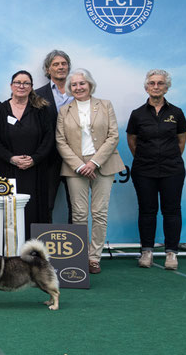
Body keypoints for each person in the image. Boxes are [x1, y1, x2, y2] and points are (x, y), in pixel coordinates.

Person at [55, 69, 125, 274]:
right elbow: (60, 141)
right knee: (79, 214)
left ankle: (94, 258)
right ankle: (80, 256)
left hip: (103, 165)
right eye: (74, 85)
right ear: (70, 88)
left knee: (99, 213)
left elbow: (113, 136)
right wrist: (79, 165)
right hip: (75, 167)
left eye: (82, 83)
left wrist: (94, 163)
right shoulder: (64, 111)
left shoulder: (105, 105)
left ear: (90, 85)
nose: (78, 87)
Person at [127, 69, 186, 270]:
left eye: (160, 83)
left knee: (172, 211)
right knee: (147, 210)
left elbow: (181, 141)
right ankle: (147, 252)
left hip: (172, 169)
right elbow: (132, 141)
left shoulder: (176, 113)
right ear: (146, 87)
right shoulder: (137, 114)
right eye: (152, 83)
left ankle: (171, 253)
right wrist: (147, 159)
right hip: (144, 170)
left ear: (166, 87)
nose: (156, 86)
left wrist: (167, 158)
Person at [0, 70, 54, 240]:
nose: (21, 86)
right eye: (18, 82)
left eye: (26, 83)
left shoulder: (41, 110)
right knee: (9, 212)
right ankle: (10, 252)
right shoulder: (0, 110)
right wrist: (11, 158)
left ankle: (34, 252)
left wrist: (35, 159)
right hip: (7, 171)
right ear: (11, 85)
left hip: (35, 171)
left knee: (35, 209)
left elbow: (49, 138)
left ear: (31, 87)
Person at [35, 50, 74, 223]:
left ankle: (78, 247)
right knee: (46, 203)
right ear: (48, 69)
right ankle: (44, 247)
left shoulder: (79, 91)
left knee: (77, 205)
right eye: (56, 64)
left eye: (63, 63)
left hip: (75, 157)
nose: (60, 67)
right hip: (49, 158)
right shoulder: (37, 95)